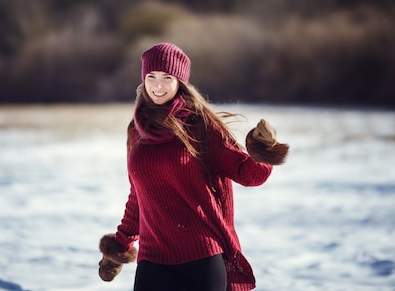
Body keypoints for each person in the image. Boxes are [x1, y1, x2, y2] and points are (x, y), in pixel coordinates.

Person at [97, 42, 289, 291]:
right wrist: (121, 244)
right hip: (153, 259)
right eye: (151, 77)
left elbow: (246, 173)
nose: (157, 85)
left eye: (167, 77)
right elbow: (139, 194)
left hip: (201, 258)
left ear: (180, 81)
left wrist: (262, 149)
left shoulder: (201, 126)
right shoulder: (137, 131)